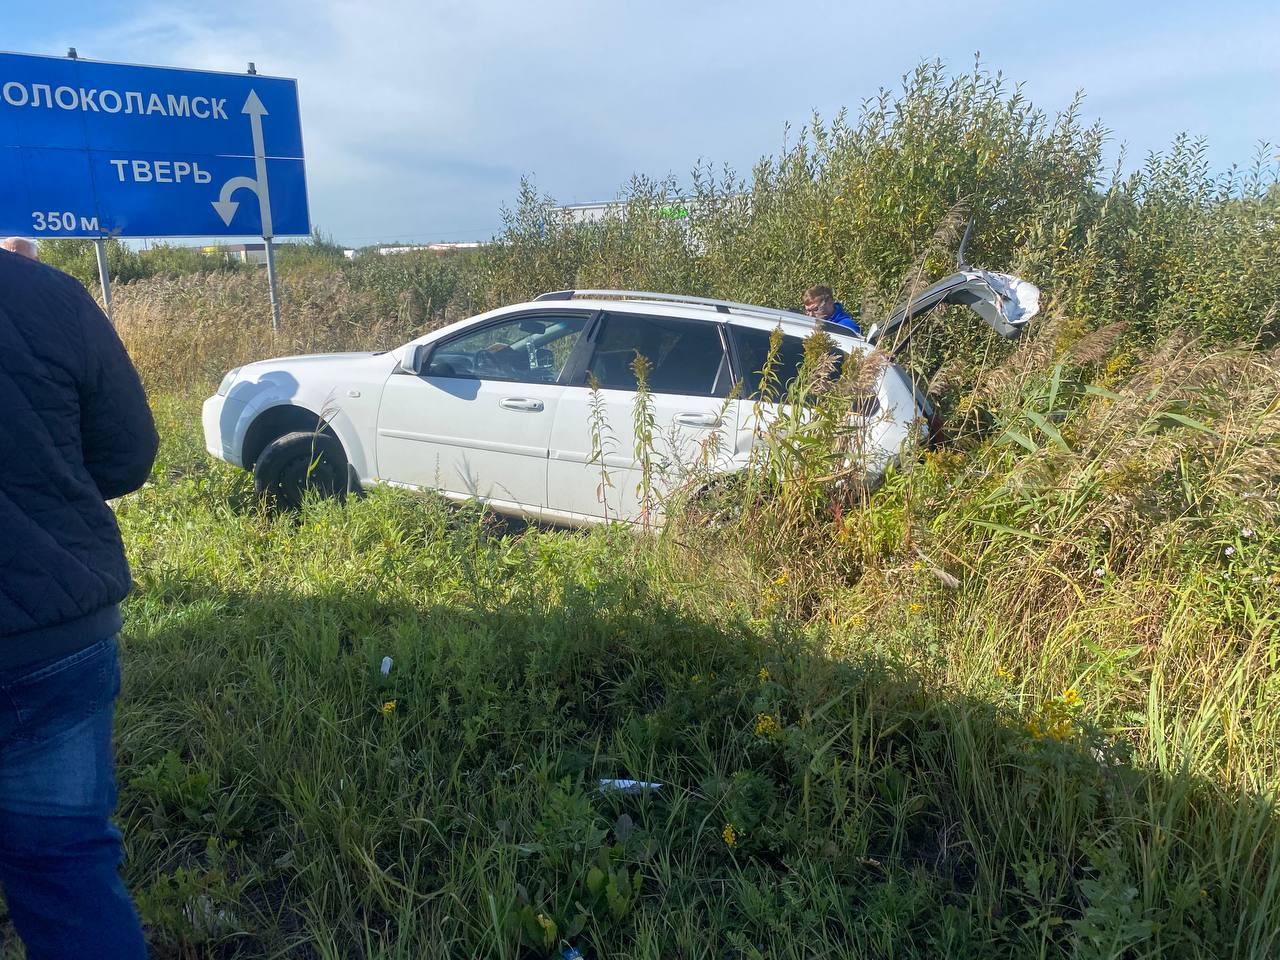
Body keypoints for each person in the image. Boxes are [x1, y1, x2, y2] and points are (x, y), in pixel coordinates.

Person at [0, 246, 158, 958]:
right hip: (53, 640)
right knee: (68, 873)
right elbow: (126, 456)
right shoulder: (50, 296)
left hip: (50, 636)